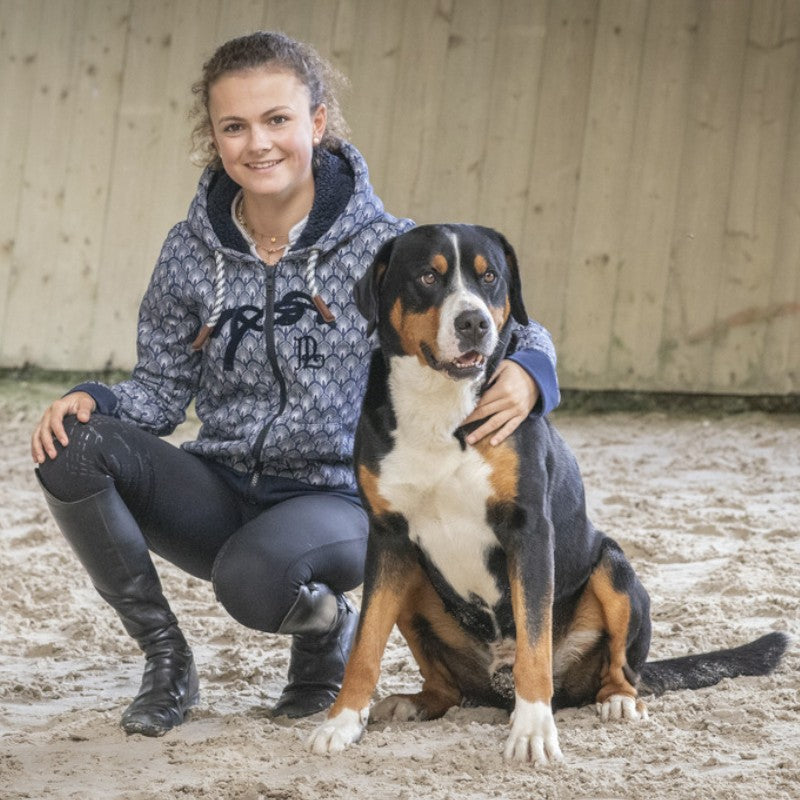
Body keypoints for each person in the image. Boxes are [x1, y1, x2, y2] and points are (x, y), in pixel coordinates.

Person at [30, 31, 561, 737]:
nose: (259, 143)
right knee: (70, 446)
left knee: (251, 583)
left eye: (277, 119)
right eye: (235, 126)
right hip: (222, 482)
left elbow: (510, 326)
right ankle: (165, 659)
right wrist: (93, 401)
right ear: (214, 138)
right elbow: (159, 392)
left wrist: (531, 373)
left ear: (316, 121)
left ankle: (326, 628)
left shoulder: (390, 245)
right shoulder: (189, 253)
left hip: (336, 499)